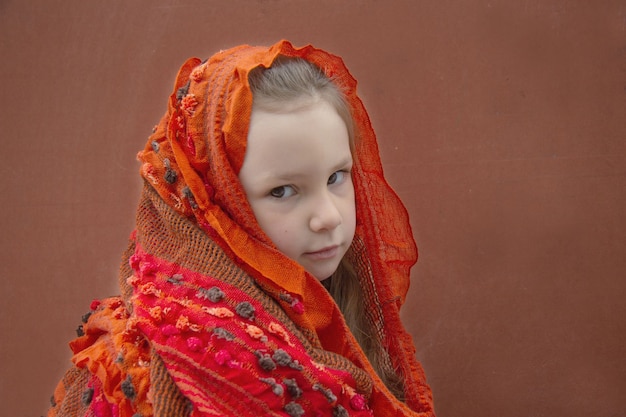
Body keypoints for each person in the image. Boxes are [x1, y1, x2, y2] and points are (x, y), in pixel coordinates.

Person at [47, 40, 435, 417]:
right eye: (282, 191)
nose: (329, 217)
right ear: (217, 206)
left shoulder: (340, 314)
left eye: (336, 176)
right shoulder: (146, 371)